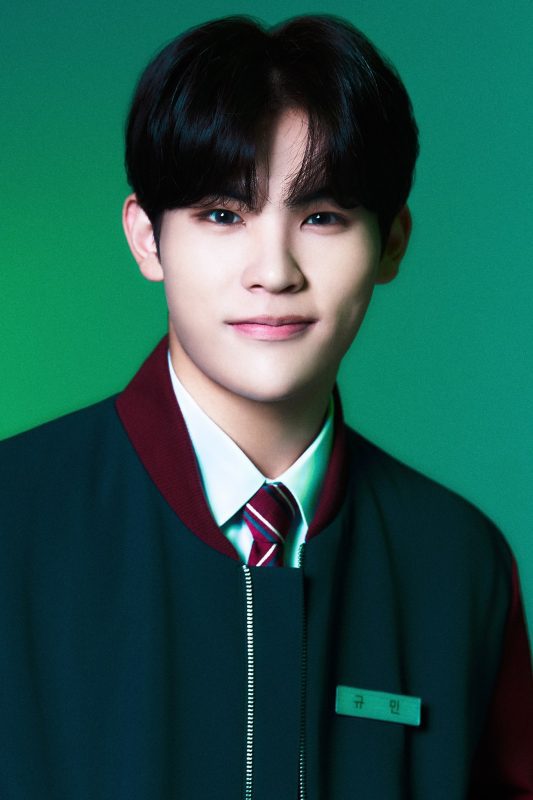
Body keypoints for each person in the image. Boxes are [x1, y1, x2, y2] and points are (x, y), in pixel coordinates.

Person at [0, 14, 531, 800]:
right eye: (223, 214)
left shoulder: (457, 563)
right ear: (147, 238)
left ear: (391, 243)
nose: (273, 271)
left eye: (322, 217)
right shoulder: (14, 516)